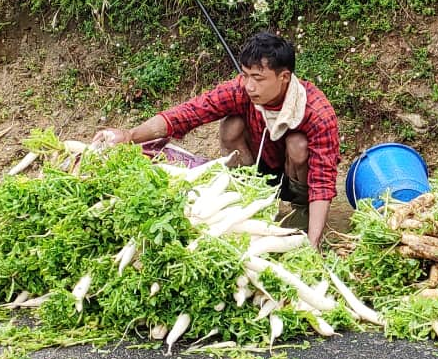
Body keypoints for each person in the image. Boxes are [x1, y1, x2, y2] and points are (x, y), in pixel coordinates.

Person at [93, 32, 340, 249]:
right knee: (232, 124)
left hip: (296, 178)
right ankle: (244, 196)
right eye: (245, 75)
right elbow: (189, 113)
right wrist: (130, 136)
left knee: (298, 145)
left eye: (258, 78)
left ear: (284, 77)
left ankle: (301, 213)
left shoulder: (316, 112)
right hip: (257, 167)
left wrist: (313, 243)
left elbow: (323, 182)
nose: (250, 86)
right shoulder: (241, 91)